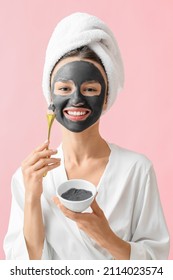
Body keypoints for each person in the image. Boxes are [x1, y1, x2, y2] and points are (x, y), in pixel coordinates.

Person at [3, 12, 169, 260]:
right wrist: (32, 196)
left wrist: (106, 237)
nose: (77, 99)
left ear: (105, 98)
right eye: (64, 89)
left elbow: (156, 266)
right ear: (51, 97)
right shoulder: (29, 176)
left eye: (90, 89)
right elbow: (25, 267)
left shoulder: (137, 170)